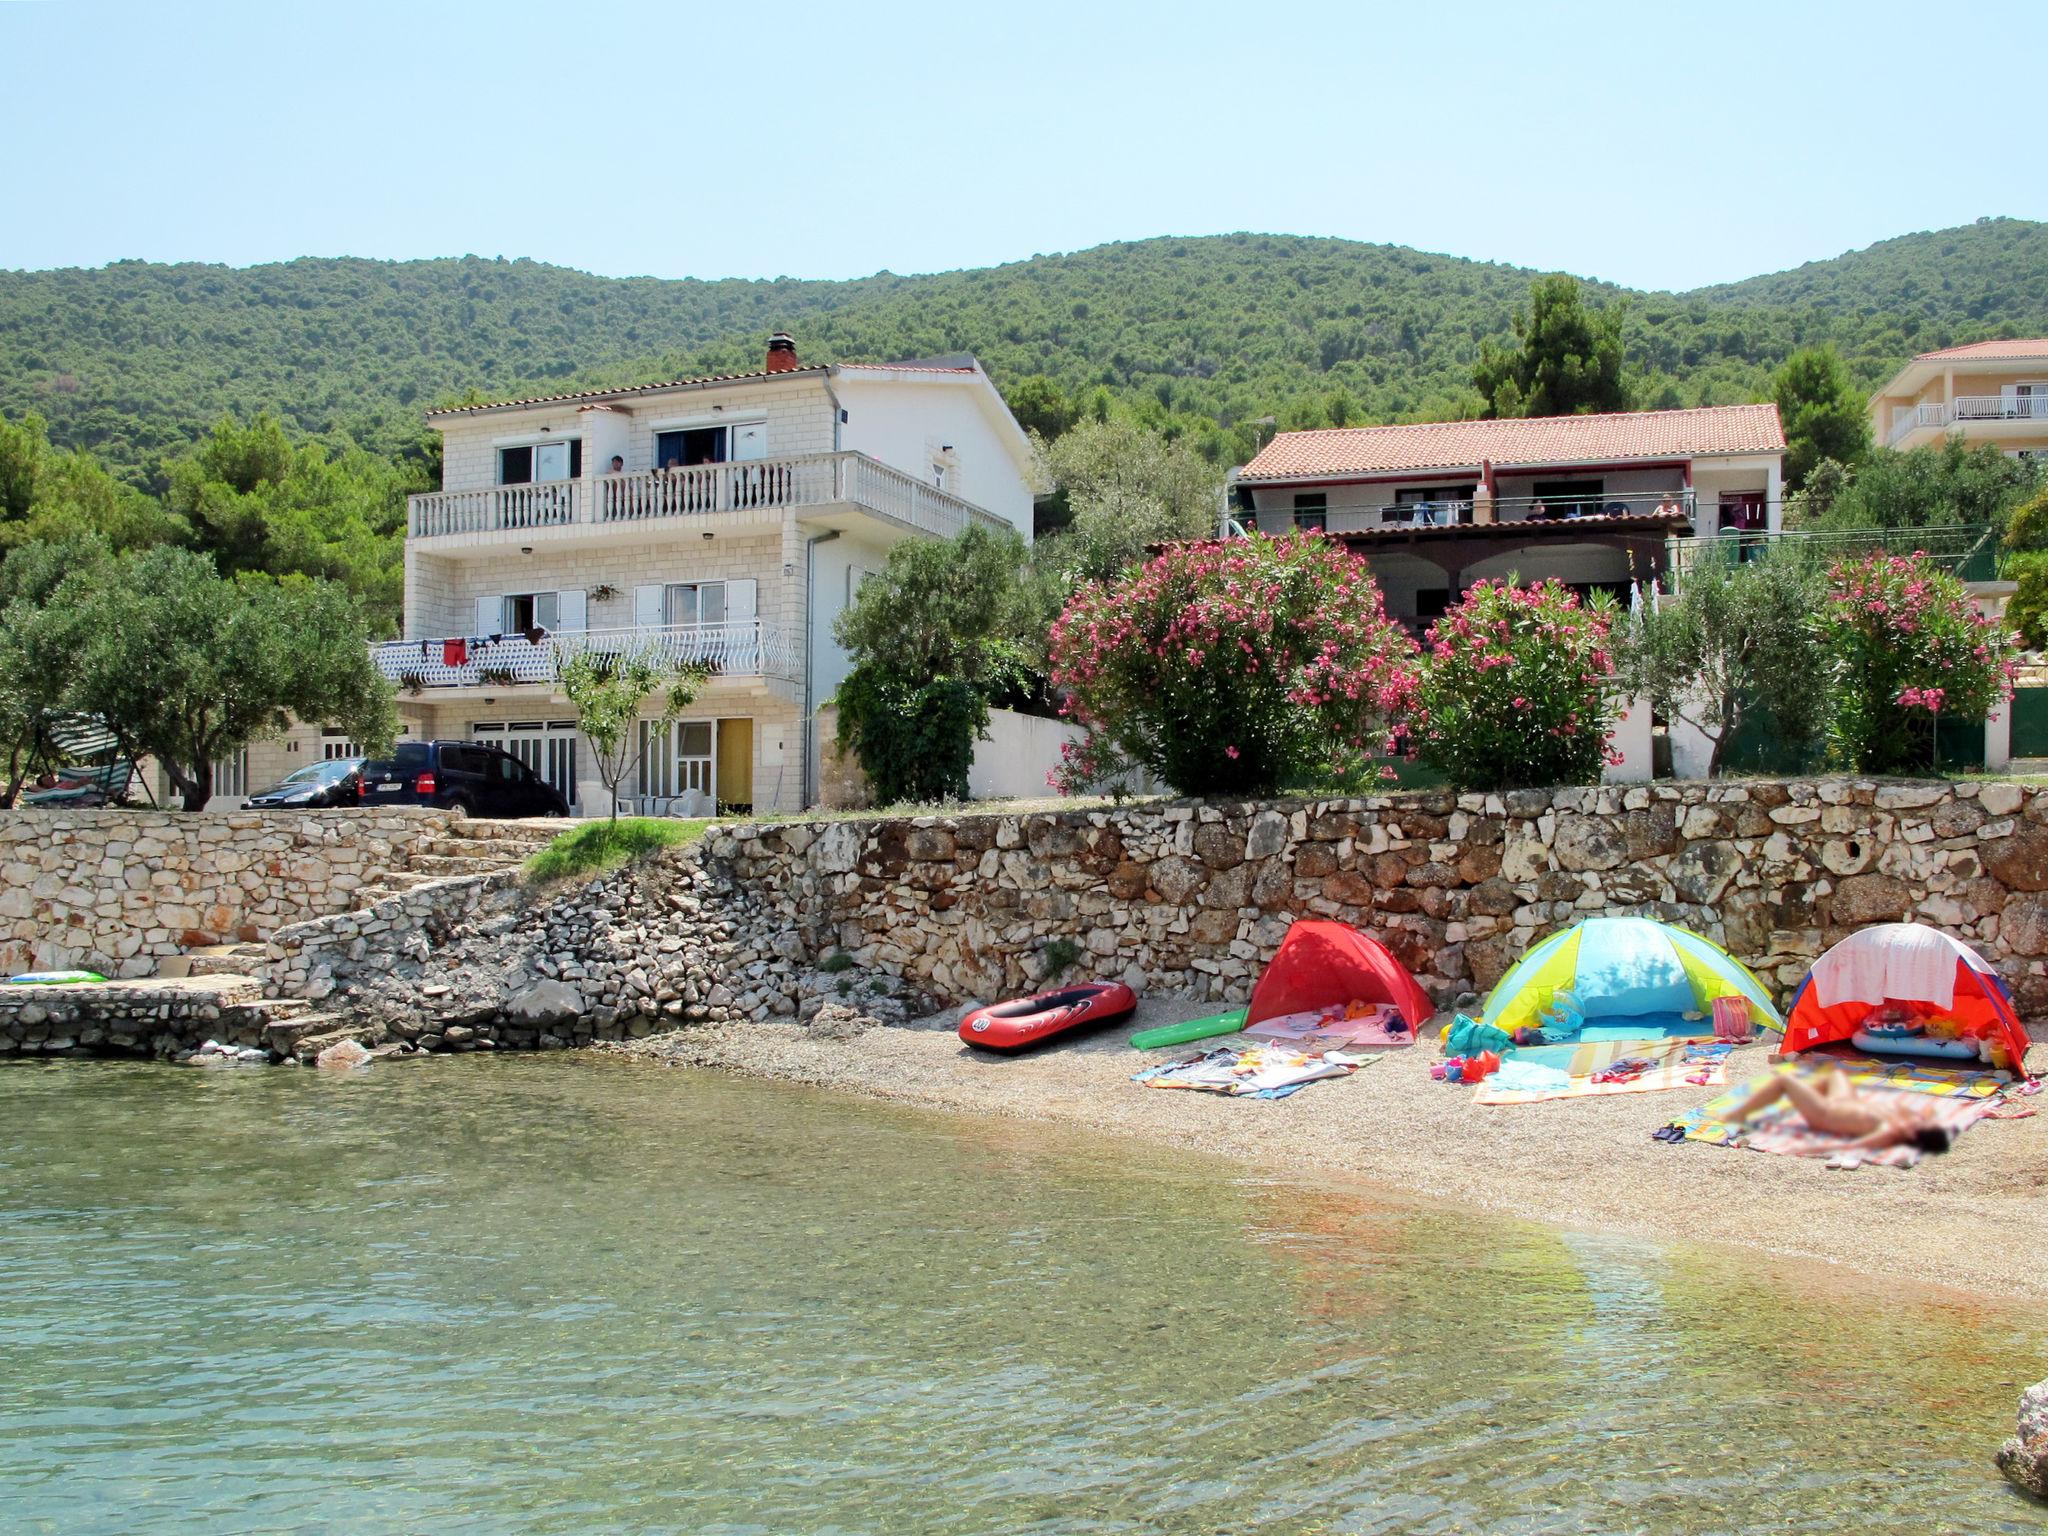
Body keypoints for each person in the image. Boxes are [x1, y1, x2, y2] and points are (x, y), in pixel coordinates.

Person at [1726, 1063, 1955, 1154]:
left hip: (1825, 1113)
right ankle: (1795, 1101)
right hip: (1846, 1102)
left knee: (1783, 1081)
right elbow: (1932, 1112)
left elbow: (1854, 1145)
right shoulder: (1909, 1120)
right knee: (1835, 1075)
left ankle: (1738, 1113)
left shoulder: (1890, 1131)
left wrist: (1808, 1148)